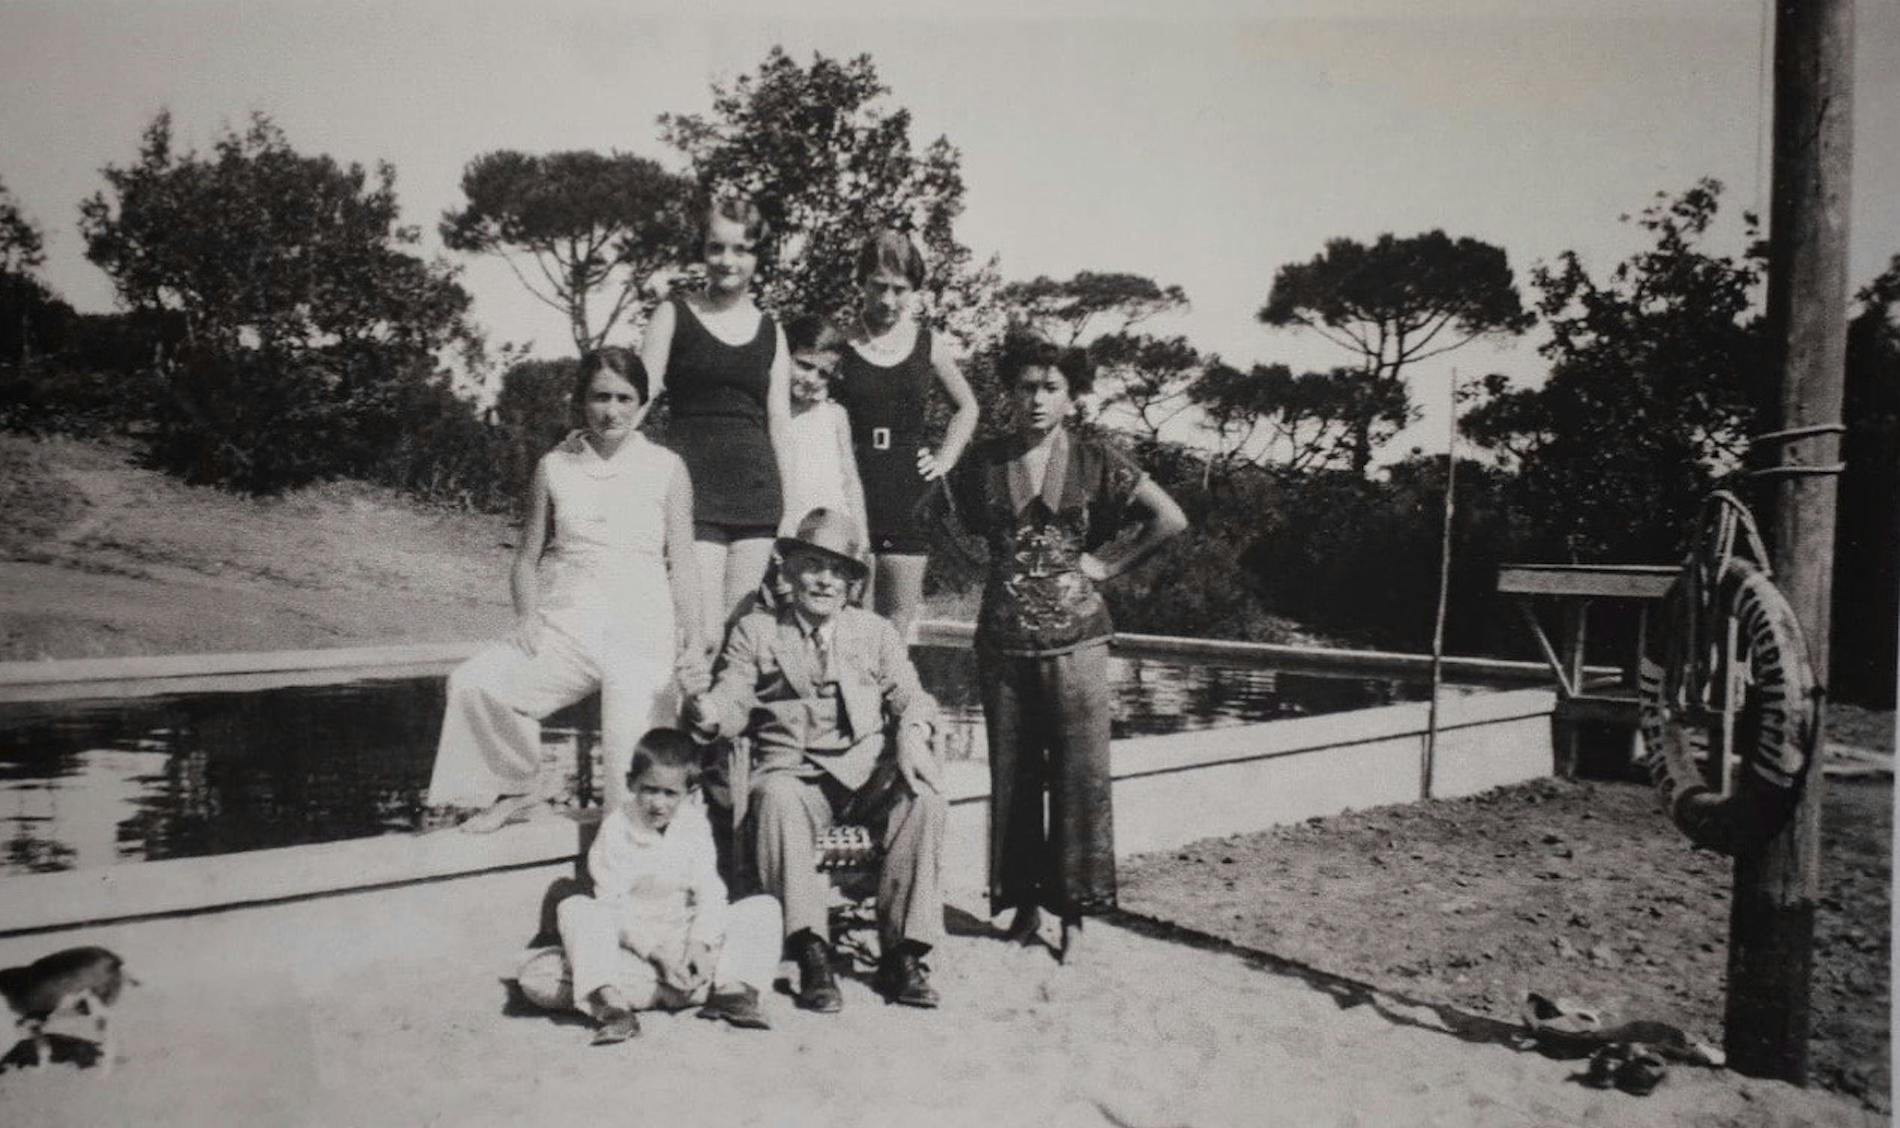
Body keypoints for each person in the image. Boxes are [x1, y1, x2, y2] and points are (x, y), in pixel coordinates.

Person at [920, 333, 1186, 962]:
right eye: (1024, 387)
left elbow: (1169, 517)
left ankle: (1075, 916)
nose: (1036, 400)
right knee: (1012, 776)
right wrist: (981, 564)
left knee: (1078, 777)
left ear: (1072, 396)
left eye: (1050, 388)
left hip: (1078, 641)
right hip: (1003, 641)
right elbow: (936, 514)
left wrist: (1106, 563)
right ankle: (1022, 908)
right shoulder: (982, 461)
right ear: (1008, 391)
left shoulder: (1099, 459)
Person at [426, 349, 707, 832]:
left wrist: (695, 641)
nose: (612, 410)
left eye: (625, 398)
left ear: (642, 404)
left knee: (634, 776)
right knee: (478, 683)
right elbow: (525, 559)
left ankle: (648, 885)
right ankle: (517, 787)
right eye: (600, 397)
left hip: (643, 628)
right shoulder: (554, 466)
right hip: (568, 621)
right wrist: (527, 617)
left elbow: (683, 562)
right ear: (580, 400)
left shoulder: (667, 467)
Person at [683, 508, 947, 1013]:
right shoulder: (756, 632)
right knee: (777, 796)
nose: (825, 580)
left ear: (852, 583)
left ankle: (904, 955)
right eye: (812, 565)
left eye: (838, 571)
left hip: (868, 775)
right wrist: (706, 708)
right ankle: (812, 950)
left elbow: (913, 697)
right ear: (788, 571)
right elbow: (732, 699)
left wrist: (912, 734)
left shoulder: (875, 633)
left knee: (924, 797)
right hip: (796, 776)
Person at [516, 728, 783, 1043]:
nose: (658, 803)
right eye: (649, 790)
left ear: (690, 792)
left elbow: (711, 893)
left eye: (670, 794)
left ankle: (729, 992)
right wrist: (657, 955)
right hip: (635, 949)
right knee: (561, 937)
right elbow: (612, 908)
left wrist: (697, 945)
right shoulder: (616, 829)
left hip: (683, 943)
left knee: (763, 908)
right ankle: (615, 1007)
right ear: (630, 783)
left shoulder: (695, 825)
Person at [641, 194, 794, 642]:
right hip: (691, 493)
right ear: (702, 250)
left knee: (741, 637)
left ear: (756, 257)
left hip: (757, 495)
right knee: (696, 634)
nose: (728, 261)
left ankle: (726, 716)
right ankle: (686, 715)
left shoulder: (772, 331)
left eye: (741, 249)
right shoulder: (673, 314)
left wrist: (788, 510)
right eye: (716, 248)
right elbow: (641, 396)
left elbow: (780, 425)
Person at [833, 230, 979, 642]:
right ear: (861, 282)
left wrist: (945, 458)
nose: (888, 300)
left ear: (914, 290)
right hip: (851, 486)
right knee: (845, 619)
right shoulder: (841, 343)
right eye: (878, 287)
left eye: (900, 290)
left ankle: (890, 705)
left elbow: (968, 407)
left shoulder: (927, 344)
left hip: (906, 491)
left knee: (895, 628)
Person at [779, 314, 867, 542]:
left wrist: (862, 536)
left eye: (822, 374)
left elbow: (850, 480)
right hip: (782, 526)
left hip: (830, 529)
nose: (811, 379)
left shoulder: (834, 415)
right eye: (804, 365)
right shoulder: (769, 413)